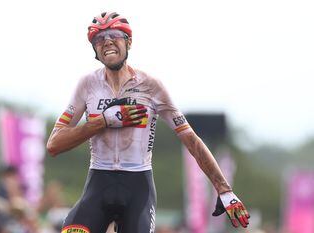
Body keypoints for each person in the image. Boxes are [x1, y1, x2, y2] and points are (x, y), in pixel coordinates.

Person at [46, 11, 250, 233]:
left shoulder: (151, 86)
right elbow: (54, 144)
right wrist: (103, 121)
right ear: (95, 50)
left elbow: (191, 139)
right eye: (99, 39)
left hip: (138, 187)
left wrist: (224, 189)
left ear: (129, 42)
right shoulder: (87, 85)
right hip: (98, 183)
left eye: (114, 35)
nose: (107, 42)